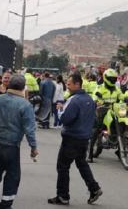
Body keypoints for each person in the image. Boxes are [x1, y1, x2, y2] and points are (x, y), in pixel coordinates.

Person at [0, 75, 38, 209]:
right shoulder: (25, 105)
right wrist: (33, 147)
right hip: (11, 146)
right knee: (12, 177)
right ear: (23, 88)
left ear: (9, 85)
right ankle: (5, 204)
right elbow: (29, 129)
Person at [48, 74, 102, 206]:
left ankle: (63, 196)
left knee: (62, 167)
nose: (68, 86)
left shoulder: (74, 100)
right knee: (82, 163)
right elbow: (94, 121)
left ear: (77, 84)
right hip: (84, 139)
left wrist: (60, 110)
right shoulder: (89, 99)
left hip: (72, 139)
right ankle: (94, 188)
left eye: (70, 83)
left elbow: (65, 119)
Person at [89, 69, 122, 162]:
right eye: (111, 79)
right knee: (97, 129)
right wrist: (97, 101)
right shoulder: (100, 88)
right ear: (106, 78)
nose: (113, 81)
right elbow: (95, 96)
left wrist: (127, 99)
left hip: (114, 110)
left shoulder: (116, 89)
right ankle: (90, 153)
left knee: (123, 124)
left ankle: (120, 150)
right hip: (102, 110)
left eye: (114, 79)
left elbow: (121, 96)